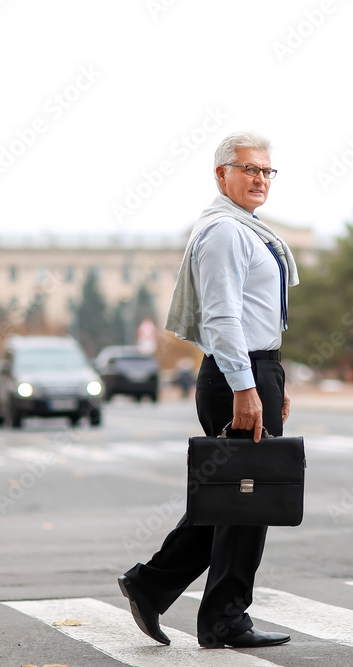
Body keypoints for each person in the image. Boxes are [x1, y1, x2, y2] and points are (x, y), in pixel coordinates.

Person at [118, 130, 299, 649]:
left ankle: (151, 585)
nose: (259, 179)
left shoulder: (248, 229)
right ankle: (224, 619)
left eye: (266, 171)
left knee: (233, 495)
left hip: (253, 369)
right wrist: (247, 387)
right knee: (251, 498)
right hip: (234, 373)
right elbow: (222, 317)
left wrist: (271, 379)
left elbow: (256, 314)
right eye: (248, 169)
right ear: (222, 174)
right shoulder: (224, 232)